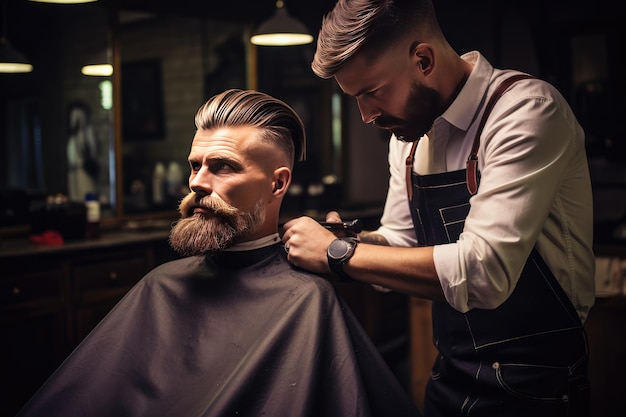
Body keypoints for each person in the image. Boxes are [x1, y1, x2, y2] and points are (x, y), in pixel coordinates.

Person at [16, 89, 421, 417]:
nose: (198, 183)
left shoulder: (308, 300)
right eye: (195, 166)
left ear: (278, 185)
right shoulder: (159, 285)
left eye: (223, 167)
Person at [281, 1, 595, 416]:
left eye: (371, 93)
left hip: (538, 382)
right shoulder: (408, 139)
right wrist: (351, 240)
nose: (366, 116)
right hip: (451, 372)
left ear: (423, 60)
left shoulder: (525, 112)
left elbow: (485, 272)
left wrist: (339, 256)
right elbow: (399, 241)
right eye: (355, 98)